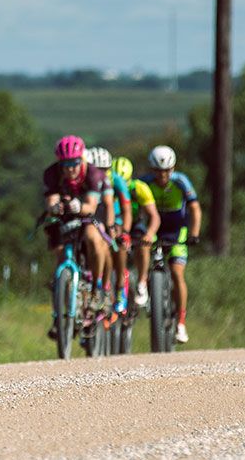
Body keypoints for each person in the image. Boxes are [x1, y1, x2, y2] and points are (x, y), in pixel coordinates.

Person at [42, 135, 113, 339]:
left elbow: (91, 206)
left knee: (93, 237)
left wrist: (78, 206)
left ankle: (97, 288)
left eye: (73, 163)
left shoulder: (93, 174)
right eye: (64, 164)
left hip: (90, 211)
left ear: (81, 159)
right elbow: (51, 200)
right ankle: (59, 312)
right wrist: (55, 206)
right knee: (59, 250)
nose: (69, 169)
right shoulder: (52, 173)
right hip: (65, 212)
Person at [139, 145, 201, 344]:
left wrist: (194, 233)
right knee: (144, 249)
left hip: (177, 230)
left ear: (172, 169)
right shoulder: (145, 183)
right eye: (158, 171)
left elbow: (195, 208)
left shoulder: (181, 181)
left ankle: (181, 322)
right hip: (154, 227)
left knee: (176, 272)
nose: (162, 175)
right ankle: (145, 287)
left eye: (166, 171)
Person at [110, 156, 161, 308]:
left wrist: (150, 234)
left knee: (144, 245)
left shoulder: (139, 188)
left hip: (136, 225)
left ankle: (142, 282)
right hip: (118, 223)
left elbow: (154, 216)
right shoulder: (109, 189)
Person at [87, 146, 131, 313]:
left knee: (118, 244)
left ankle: (120, 288)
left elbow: (126, 209)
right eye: (97, 169)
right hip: (95, 217)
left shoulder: (116, 180)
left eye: (104, 170)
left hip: (115, 218)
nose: (101, 173)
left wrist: (125, 232)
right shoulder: (87, 179)